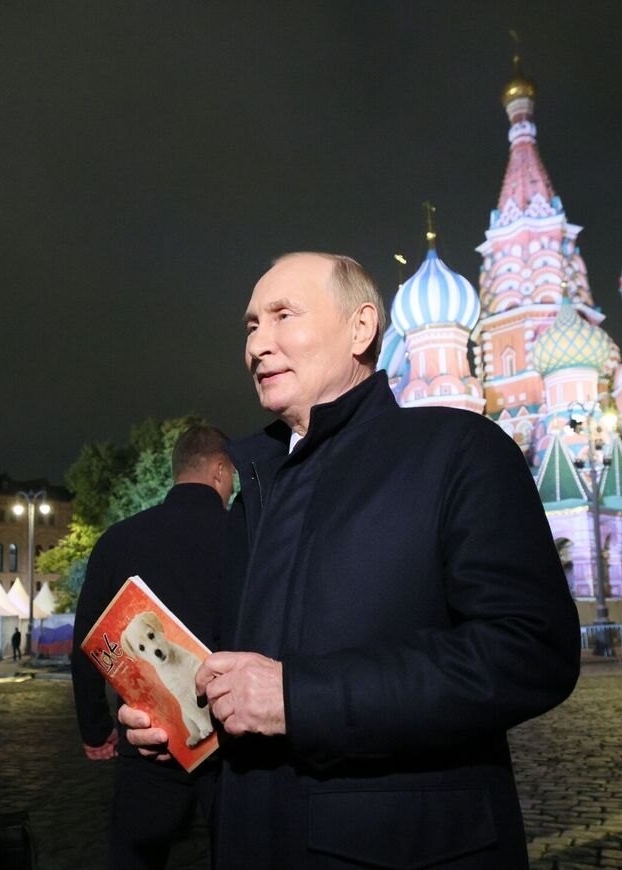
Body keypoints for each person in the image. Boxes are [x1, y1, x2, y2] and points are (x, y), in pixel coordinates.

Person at [122, 252, 580, 868]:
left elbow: (530, 650)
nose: (257, 344)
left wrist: (298, 698)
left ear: (361, 328)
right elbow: (248, 683)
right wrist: (188, 719)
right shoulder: (254, 491)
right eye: (251, 325)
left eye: (283, 315)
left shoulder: (458, 452)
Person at [72, 425, 234, 870]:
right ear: (221, 470)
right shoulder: (247, 537)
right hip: (233, 742)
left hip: (147, 738)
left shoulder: (119, 539)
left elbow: (89, 641)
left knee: (136, 857)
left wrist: (94, 728)